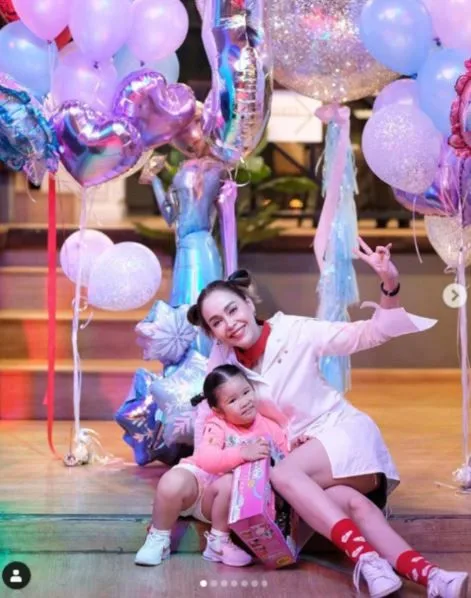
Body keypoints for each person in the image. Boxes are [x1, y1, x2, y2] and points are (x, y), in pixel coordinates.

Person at [183, 238, 469, 598]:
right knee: (353, 505)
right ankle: (434, 578)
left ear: (249, 303)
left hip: (341, 433)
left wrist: (390, 284)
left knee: (281, 475)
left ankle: (366, 559)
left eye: (232, 309)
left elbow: (369, 333)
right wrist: (195, 472)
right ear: (212, 334)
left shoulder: (296, 331)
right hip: (304, 460)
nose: (230, 323)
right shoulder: (224, 364)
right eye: (217, 322)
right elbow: (209, 418)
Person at [135, 364, 288, 568]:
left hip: (220, 502)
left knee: (231, 482)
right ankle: (158, 537)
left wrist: (296, 446)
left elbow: (285, 462)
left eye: (246, 392)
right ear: (218, 410)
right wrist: (242, 453)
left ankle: (218, 543)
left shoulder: (270, 428)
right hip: (197, 484)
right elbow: (206, 458)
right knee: (172, 481)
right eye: (232, 400)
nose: (244, 402)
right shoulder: (216, 424)